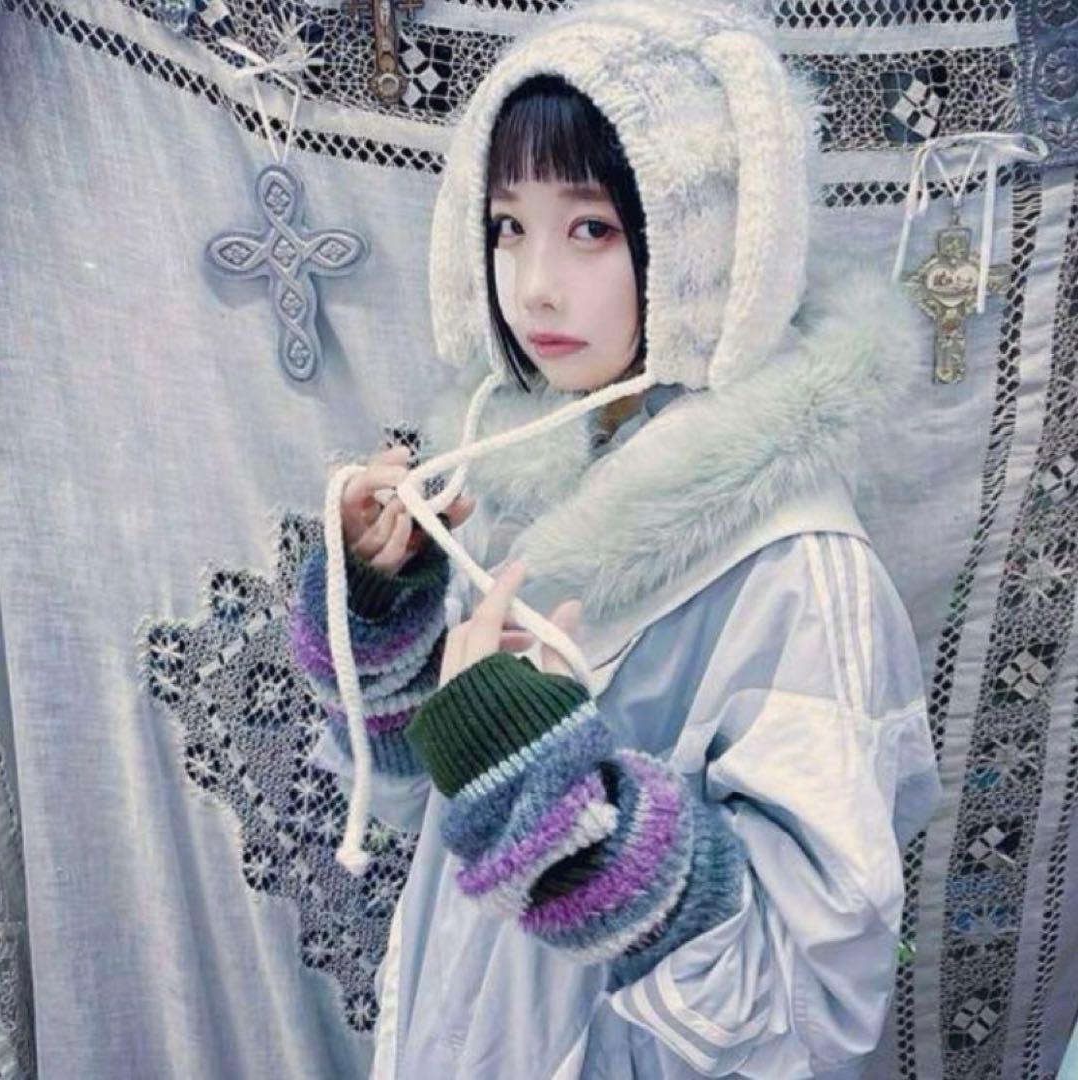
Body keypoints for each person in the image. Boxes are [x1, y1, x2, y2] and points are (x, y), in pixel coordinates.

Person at [289, 1, 941, 1075]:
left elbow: (807, 1005)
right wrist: (381, 604)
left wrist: (550, 801)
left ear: (702, 241)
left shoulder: (799, 571)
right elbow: (416, 805)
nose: (533, 284)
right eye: (508, 225)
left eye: (589, 227)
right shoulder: (514, 484)